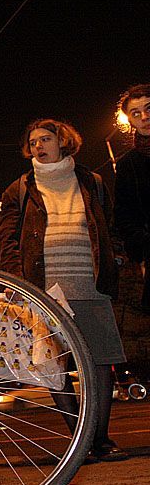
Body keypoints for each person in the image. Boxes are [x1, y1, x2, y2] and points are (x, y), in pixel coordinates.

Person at [0, 118, 128, 463]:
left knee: (101, 362)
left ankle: (100, 439)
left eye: (46, 139)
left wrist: (117, 258)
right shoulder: (20, 188)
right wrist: (15, 279)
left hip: (91, 284)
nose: (39, 146)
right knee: (55, 367)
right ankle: (79, 440)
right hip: (47, 290)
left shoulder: (92, 182)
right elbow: (5, 239)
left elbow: (109, 225)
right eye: (33, 141)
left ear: (63, 141)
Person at [114, 84, 150, 313]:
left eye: (149, 108)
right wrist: (143, 253)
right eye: (136, 113)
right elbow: (125, 215)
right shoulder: (129, 164)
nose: (145, 117)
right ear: (130, 122)